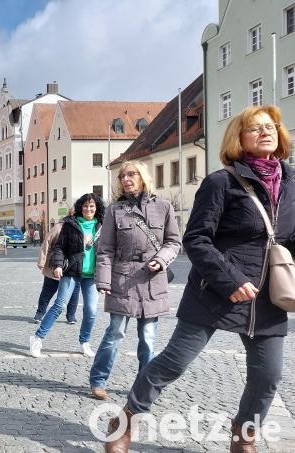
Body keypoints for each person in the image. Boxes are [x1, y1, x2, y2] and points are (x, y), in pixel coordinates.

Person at [104, 105, 295, 453]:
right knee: (175, 362)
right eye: (255, 129)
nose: (266, 132)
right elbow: (196, 239)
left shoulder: (293, 182)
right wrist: (229, 279)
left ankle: (243, 436)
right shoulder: (221, 182)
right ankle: (127, 417)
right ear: (238, 139)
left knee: (267, 378)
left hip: (267, 298)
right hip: (215, 292)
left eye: (271, 127)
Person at [89, 161, 180, 401]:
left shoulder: (164, 206)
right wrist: (104, 281)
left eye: (132, 174)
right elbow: (105, 248)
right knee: (115, 332)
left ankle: (144, 385)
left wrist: (161, 260)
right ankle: (98, 381)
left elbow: (173, 242)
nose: (126, 179)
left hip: (152, 280)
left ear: (143, 177)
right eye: (122, 176)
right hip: (122, 278)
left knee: (148, 337)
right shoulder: (114, 210)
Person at [30, 193, 104, 358]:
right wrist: (57, 265)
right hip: (71, 272)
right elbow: (59, 247)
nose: (88, 209)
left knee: (91, 310)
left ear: (96, 207)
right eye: (85, 206)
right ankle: (37, 338)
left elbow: (108, 252)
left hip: (92, 276)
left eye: (92, 206)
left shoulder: (102, 226)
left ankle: (85, 342)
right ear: (80, 207)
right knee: (59, 305)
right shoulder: (70, 224)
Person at [32, 221, 80, 325]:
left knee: (73, 294)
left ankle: (71, 316)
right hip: (54, 265)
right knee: (47, 291)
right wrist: (42, 261)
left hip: (73, 267)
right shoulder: (59, 227)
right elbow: (46, 243)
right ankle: (40, 313)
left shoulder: (82, 228)